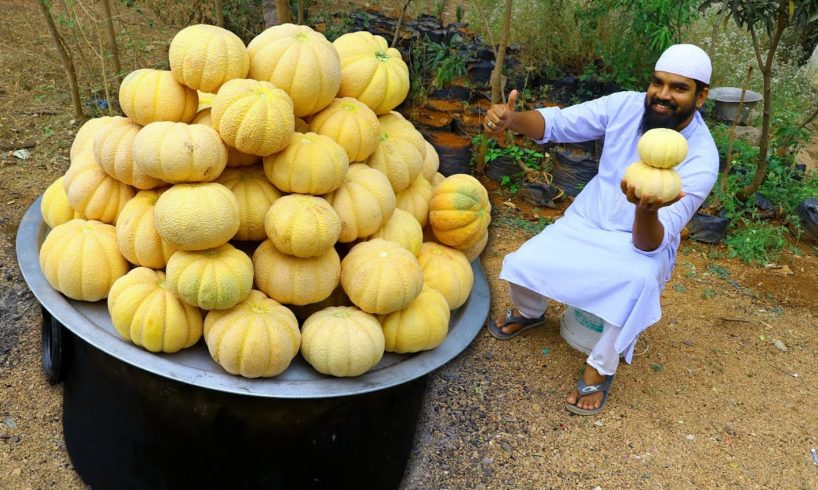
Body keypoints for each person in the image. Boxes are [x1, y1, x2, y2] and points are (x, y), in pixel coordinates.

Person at [483, 44, 719, 415]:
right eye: (657, 83)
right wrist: (512, 120)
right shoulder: (624, 106)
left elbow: (649, 244)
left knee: (637, 284)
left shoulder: (702, 159)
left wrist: (645, 210)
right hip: (587, 220)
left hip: (639, 241)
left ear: (701, 96)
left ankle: (600, 368)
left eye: (678, 88)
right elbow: (557, 123)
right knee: (524, 261)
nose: (662, 95)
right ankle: (530, 312)